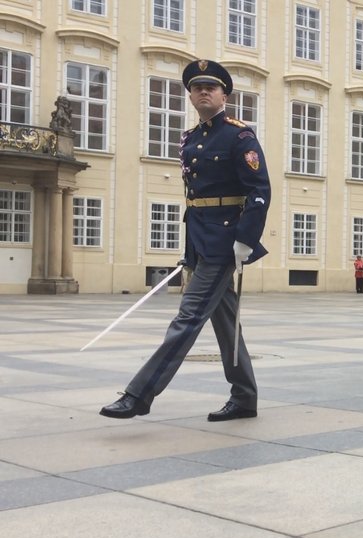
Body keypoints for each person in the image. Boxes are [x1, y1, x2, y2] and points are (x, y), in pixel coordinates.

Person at [100, 59, 270, 421]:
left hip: (225, 241)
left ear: (225, 94)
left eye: (211, 87)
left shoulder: (239, 136)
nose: (203, 91)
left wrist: (245, 239)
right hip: (201, 239)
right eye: (196, 87)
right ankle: (244, 398)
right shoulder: (191, 139)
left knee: (188, 315)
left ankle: (139, 394)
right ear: (191, 95)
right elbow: (196, 198)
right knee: (225, 323)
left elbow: (259, 191)